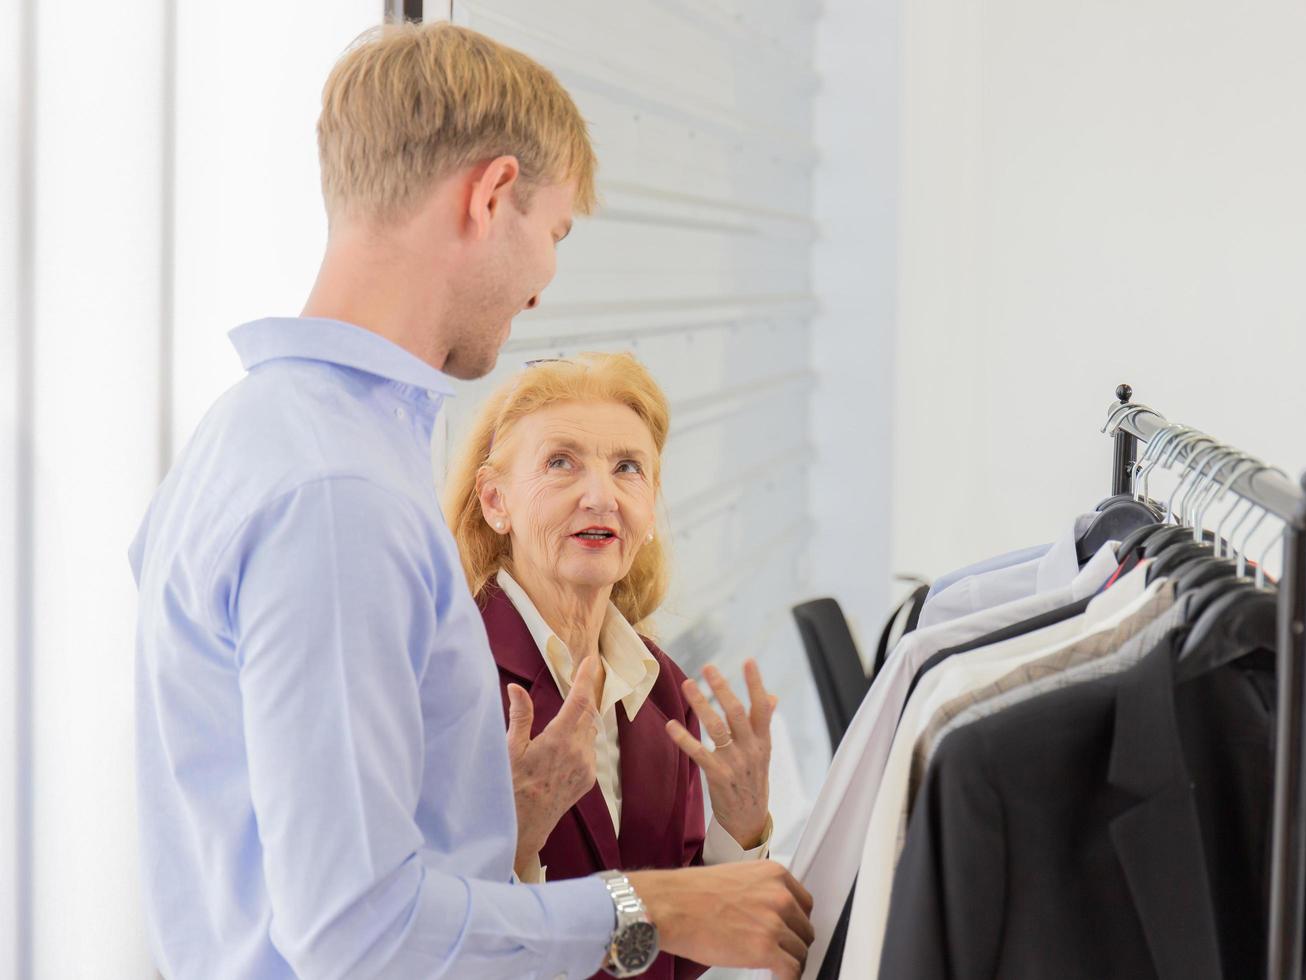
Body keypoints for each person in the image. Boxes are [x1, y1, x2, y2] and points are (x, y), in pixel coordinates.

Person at [129, 21, 813, 980]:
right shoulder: (339, 496)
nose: (546, 282)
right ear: (492, 196)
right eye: (555, 232)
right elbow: (357, 935)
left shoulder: (256, 439)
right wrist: (651, 906)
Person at [445, 353, 778, 980]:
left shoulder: (661, 690)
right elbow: (417, 945)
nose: (601, 496)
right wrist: (516, 842)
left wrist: (739, 826)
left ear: (649, 505)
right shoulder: (450, 680)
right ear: (496, 501)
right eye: (560, 463)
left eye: (628, 468)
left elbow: (667, 956)